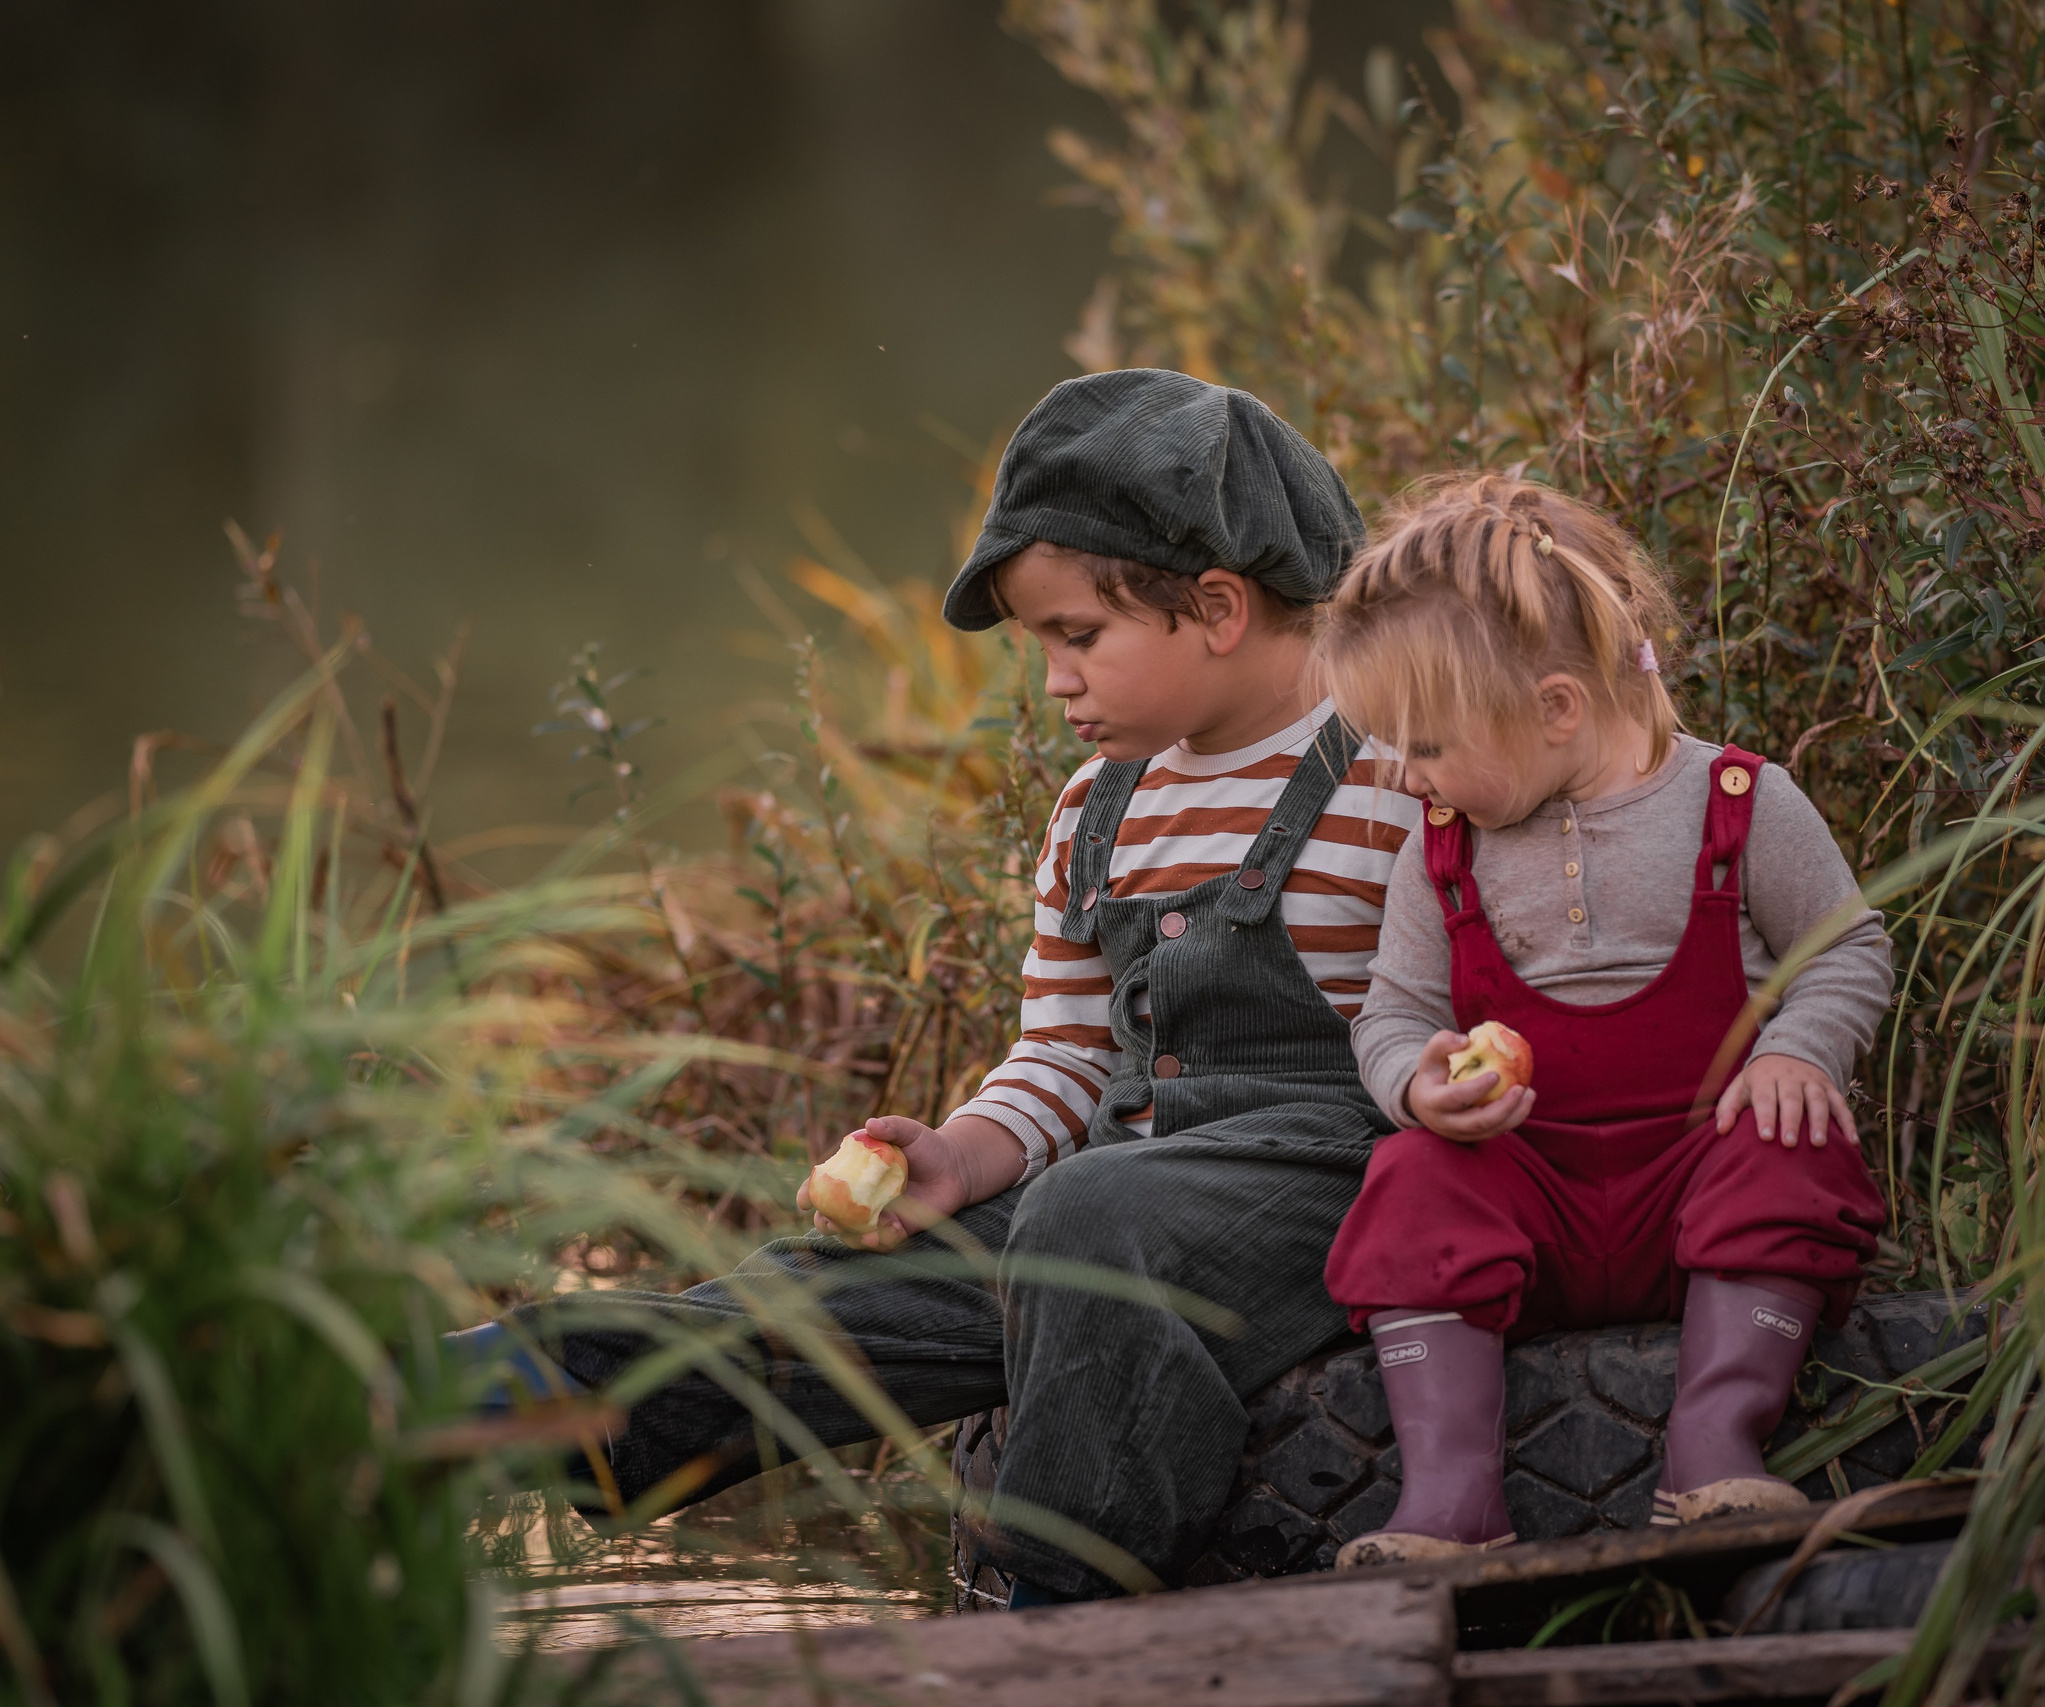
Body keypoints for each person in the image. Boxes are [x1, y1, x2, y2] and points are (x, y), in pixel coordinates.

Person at [451, 369, 1421, 1604]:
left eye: (1079, 639)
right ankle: (535, 1389)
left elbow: (1450, 1017)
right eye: (1041, 647)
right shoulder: (1096, 810)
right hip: (1119, 1205)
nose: (1055, 681)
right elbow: (1070, 1053)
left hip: (1330, 1181)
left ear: (1219, 608)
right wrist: (964, 1157)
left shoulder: (1396, 769)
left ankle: (1054, 1608)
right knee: (846, 1286)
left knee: (1087, 1221)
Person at [1314, 474, 1892, 1568]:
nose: (1402, 773)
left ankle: (1714, 1451)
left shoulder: (1738, 803)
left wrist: (1796, 1049)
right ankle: (1449, 1500)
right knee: (1409, 1178)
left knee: (1787, 1145)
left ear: (1555, 708)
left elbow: (1848, 948)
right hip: (1536, 1205)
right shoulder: (1437, 853)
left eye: (1425, 744)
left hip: (1703, 1188)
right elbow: (1392, 1011)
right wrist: (1418, 1082)